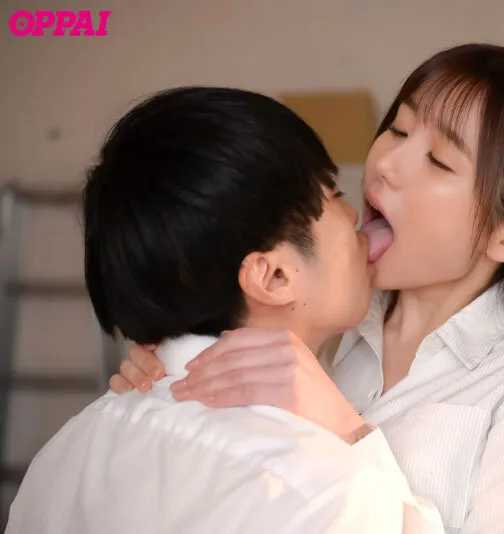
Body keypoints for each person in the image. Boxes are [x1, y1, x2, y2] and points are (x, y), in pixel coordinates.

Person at [110, 44, 504, 533]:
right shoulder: (329, 320)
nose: (385, 164)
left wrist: (345, 428)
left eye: (438, 161)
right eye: (398, 129)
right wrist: (172, 369)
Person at [7, 87, 443, 534]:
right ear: (274, 276)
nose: (354, 215)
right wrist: (352, 436)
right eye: (334, 195)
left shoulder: (64, 454)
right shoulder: (329, 490)